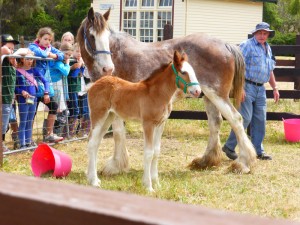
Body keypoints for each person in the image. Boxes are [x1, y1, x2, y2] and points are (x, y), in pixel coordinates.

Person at [222, 22, 280, 161]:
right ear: (254, 33)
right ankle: (229, 147)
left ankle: (258, 151)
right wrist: (239, 87)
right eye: (259, 33)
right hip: (247, 86)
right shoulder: (247, 45)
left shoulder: (268, 48)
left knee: (260, 119)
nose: (262, 35)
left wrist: (275, 87)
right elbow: (237, 66)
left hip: (261, 88)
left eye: (264, 33)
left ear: (268, 35)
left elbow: (269, 70)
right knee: (246, 117)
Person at [28, 27, 65, 143]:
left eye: (49, 39)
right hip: (33, 83)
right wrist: (48, 54)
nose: (47, 42)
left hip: (44, 85)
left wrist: (53, 55)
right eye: (45, 39)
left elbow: (62, 55)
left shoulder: (49, 48)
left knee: (53, 106)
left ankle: (49, 134)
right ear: (39, 38)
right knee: (31, 112)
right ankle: (27, 138)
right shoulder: (32, 46)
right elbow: (40, 53)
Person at [15, 49, 49, 148]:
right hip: (23, 100)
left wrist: (46, 92)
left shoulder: (34, 70)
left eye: (32, 59)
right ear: (22, 59)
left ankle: (28, 142)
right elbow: (14, 87)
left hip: (33, 99)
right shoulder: (17, 71)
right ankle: (22, 144)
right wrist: (21, 91)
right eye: (28, 59)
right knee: (23, 121)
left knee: (30, 121)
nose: (30, 61)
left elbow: (45, 81)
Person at [1, 34, 19, 152]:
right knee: (3, 121)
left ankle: (2, 144)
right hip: (2, 97)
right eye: (9, 47)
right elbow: (3, 51)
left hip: (9, 96)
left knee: (6, 122)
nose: (11, 51)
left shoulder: (11, 61)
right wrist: (6, 51)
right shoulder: (2, 56)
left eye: (13, 49)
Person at [67, 43, 85, 138]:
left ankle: (72, 132)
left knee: (77, 110)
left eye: (81, 52)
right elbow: (73, 75)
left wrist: (81, 65)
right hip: (71, 89)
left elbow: (81, 73)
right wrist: (79, 65)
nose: (79, 53)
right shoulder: (70, 62)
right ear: (72, 52)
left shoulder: (79, 61)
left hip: (77, 89)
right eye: (77, 51)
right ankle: (68, 132)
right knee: (75, 110)